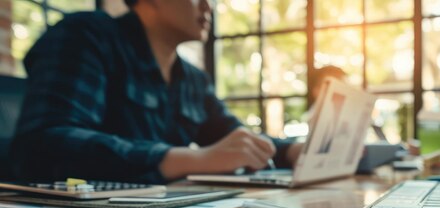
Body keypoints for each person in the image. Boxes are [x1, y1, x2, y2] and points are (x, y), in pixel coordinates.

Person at [9, 0, 302, 184]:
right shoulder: (87, 35)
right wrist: (192, 160)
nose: (207, 7)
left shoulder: (192, 79)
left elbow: (235, 141)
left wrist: (293, 150)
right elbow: (42, 144)